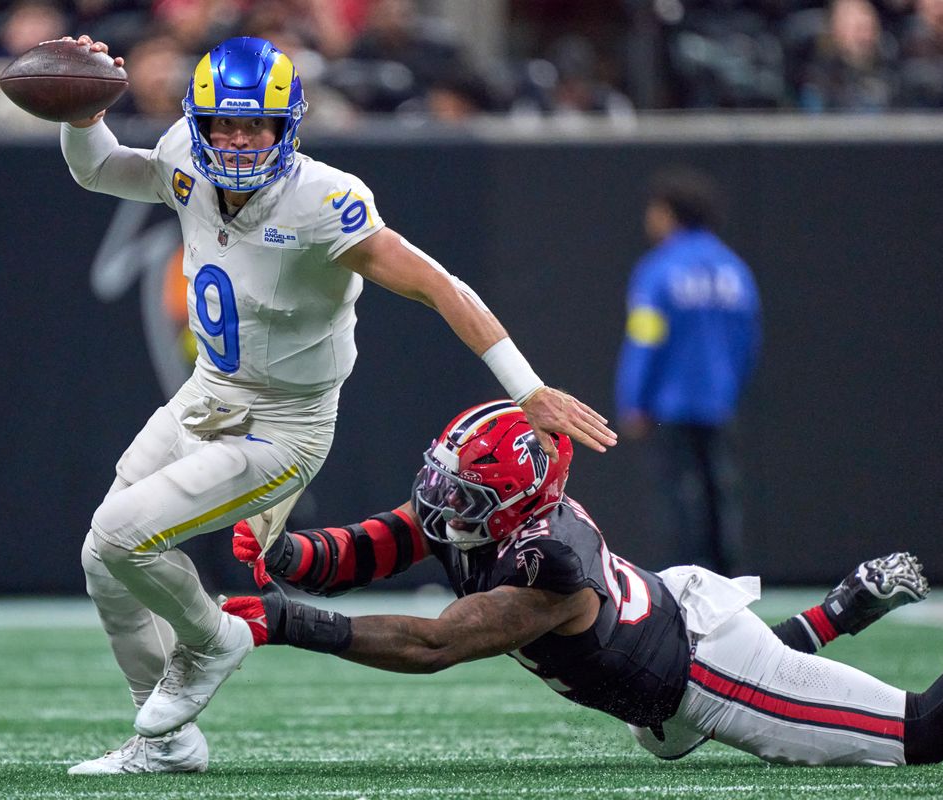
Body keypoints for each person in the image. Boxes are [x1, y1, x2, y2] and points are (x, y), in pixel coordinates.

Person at [59, 35, 617, 775]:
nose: (235, 138)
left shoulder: (323, 201)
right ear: (198, 123)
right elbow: (98, 167)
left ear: (287, 127)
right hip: (208, 396)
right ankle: (163, 738)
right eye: (222, 123)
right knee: (103, 558)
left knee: (122, 531)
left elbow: (438, 285)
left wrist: (527, 386)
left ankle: (214, 639)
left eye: (255, 124)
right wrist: (80, 113)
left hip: (285, 424)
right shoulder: (184, 159)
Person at [225, 399, 943, 769]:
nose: (442, 504)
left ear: (518, 503)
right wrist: (287, 557)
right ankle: (843, 608)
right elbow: (382, 541)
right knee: (687, 730)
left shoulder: (548, 567)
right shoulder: (489, 511)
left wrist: (283, 621)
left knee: (921, 734)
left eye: (466, 494)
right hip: (658, 672)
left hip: (703, 674)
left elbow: (434, 641)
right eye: (445, 481)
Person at [614, 168, 760, 576]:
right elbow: (748, 340)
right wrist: (730, 389)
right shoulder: (733, 270)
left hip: (669, 405)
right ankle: (727, 577)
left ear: (667, 213)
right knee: (720, 493)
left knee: (676, 497)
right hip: (719, 403)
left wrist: (634, 399)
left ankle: (685, 578)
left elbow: (644, 339)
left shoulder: (659, 270)